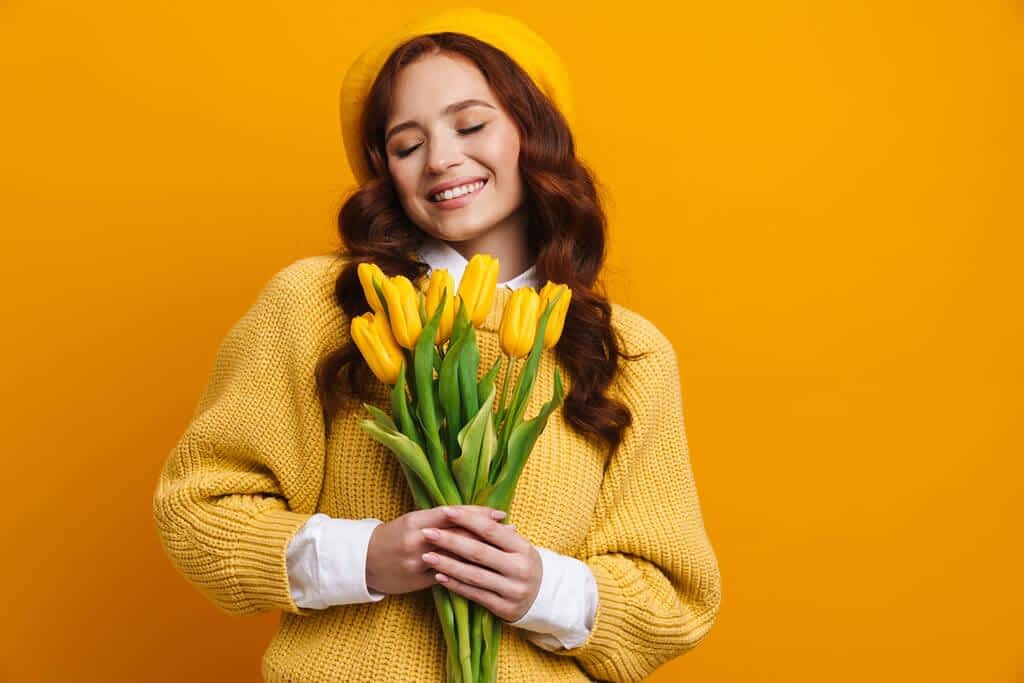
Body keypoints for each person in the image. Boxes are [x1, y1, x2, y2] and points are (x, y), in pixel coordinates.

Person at [152, 7, 722, 682]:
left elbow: (674, 595)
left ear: (533, 132)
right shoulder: (322, 306)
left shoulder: (626, 351)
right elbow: (200, 507)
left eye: (471, 123)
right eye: (405, 143)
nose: (442, 159)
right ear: (385, 170)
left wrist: (540, 588)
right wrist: (366, 556)